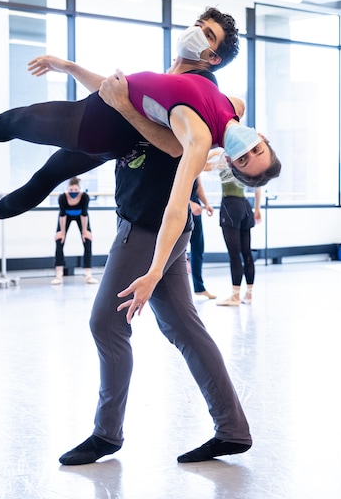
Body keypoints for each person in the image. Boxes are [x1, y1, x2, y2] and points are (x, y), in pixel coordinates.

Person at [0, 63, 281, 306]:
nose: (246, 149)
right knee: (42, 177)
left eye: (244, 159)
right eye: (256, 149)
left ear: (231, 162)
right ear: (262, 136)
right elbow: (114, 86)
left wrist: (155, 270)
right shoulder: (232, 104)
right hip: (106, 133)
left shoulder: (198, 142)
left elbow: (175, 206)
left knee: (5, 128)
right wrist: (67, 66)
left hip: (91, 130)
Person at [58, 136, 253, 465]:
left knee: (106, 324)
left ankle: (106, 433)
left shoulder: (177, 112)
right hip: (160, 226)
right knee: (184, 328)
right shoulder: (148, 111)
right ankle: (232, 429)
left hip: (147, 227)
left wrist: (245, 143)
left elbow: (223, 114)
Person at [208, 149, 262, 306]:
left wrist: (215, 152)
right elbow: (257, 186)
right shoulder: (245, 164)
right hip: (245, 207)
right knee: (246, 252)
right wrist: (257, 208)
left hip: (230, 207)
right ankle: (249, 295)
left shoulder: (224, 162)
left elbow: (202, 166)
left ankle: (235, 296)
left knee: (234, 254)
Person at [51, 177, 97, 285]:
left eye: (76, 190)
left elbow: (84, 214)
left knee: (87, 240)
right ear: (67, 189)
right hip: (65, 218)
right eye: (71, 190)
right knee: (59, 240)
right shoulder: (62, 197)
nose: (73, 192)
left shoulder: (84, 197)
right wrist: (62, 232)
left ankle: (88, 275)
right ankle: (59, 275)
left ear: (79, 189)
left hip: (81, 217)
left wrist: (85, 231)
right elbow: (62, 215)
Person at [189, 176, 215, 299]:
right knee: (177, 251)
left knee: (197, 248)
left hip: (195, 209)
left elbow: (198, 186)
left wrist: (206, 204)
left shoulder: (194, 166)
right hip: (179, 207)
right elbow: (169, 188)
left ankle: (199, 287)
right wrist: (189, 204)